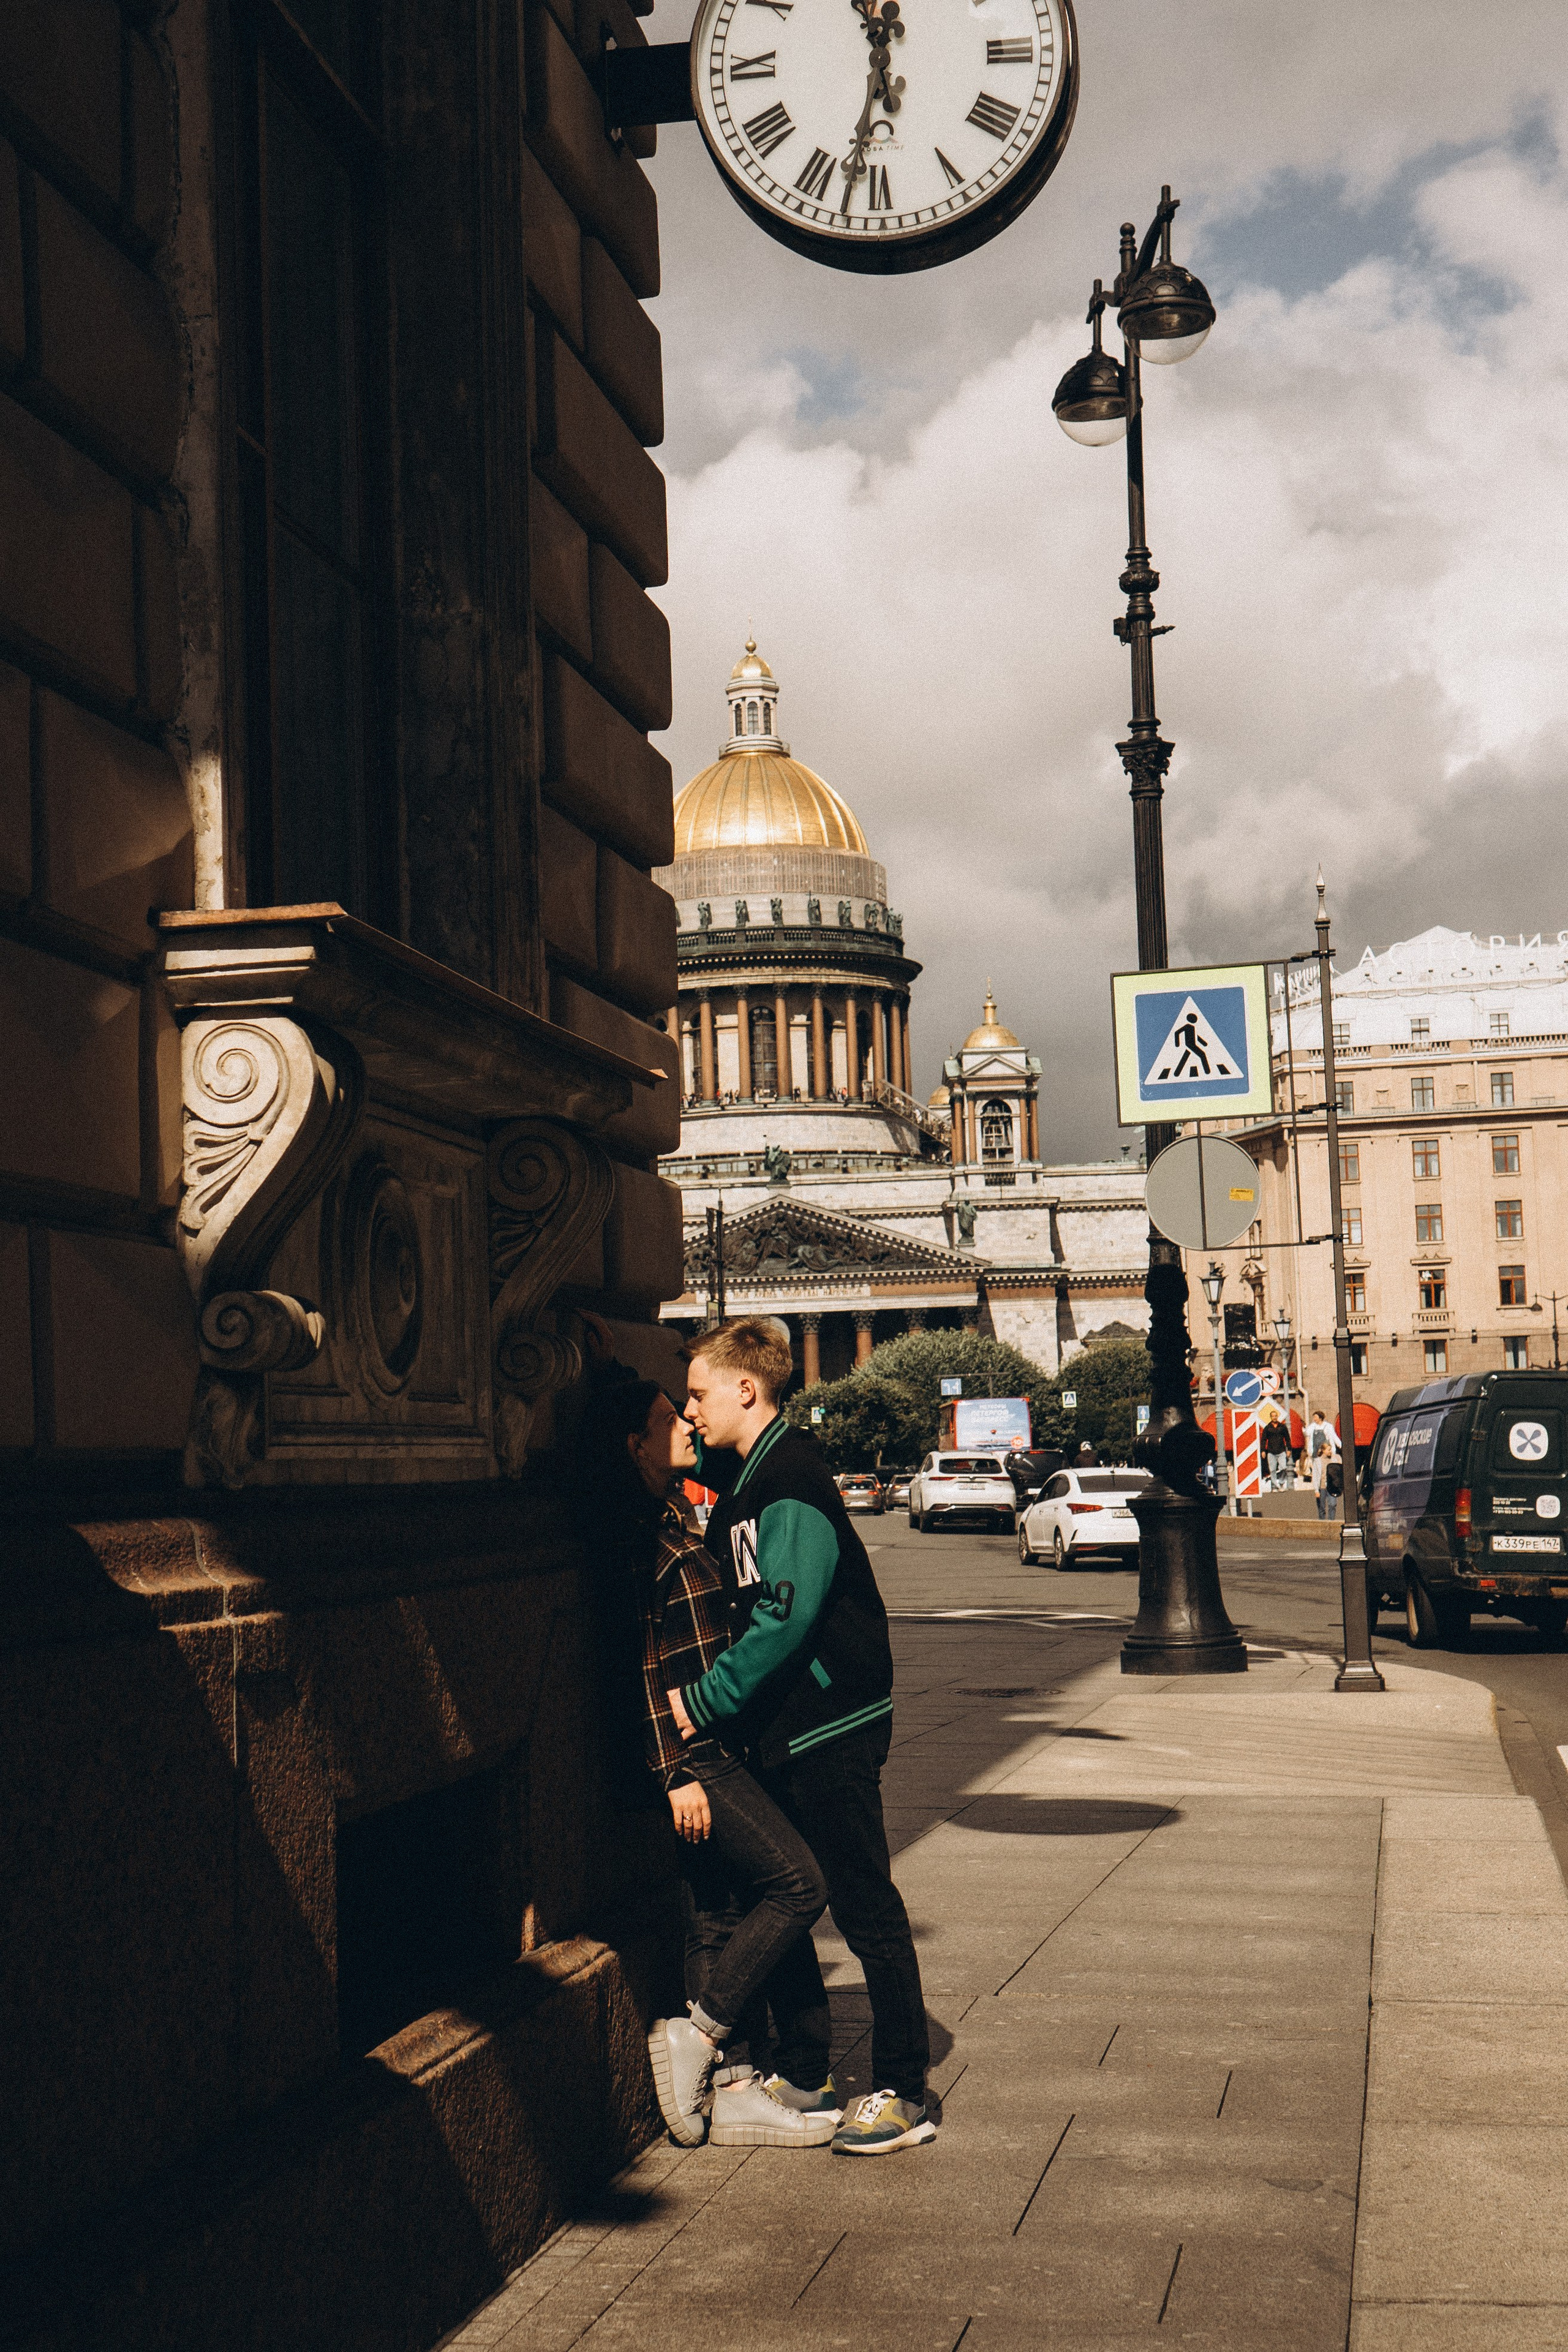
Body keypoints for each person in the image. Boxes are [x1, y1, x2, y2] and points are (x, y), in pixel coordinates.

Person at [674, 1317, 935, 2157]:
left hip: (832, 1724)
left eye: (698, 1394)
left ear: (745, 1390)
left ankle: (904, 2088)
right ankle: (806, 2069)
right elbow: (680, 1456)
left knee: (864, 1906)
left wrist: (704, 1702)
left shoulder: (789, 1479)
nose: (689, 1414)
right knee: (785, 1893)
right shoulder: (747, 1474)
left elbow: (782, 1622)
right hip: (786, 1730)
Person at [594, 1374, 838, 2152]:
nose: (688, 1420)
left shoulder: (671, 1505)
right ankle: (698, 2035)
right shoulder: (632, 1532)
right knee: (799, 1883)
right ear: (635, 1445)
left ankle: (730, 2089)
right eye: (671, 1417)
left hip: (713, 1742)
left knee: (713, 1909)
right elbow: (633, 1665)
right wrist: (674, 1771)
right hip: (693, 1752)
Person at [1307, 1410, 1338, 1518]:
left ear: (1321, 1417)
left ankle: (1331, 1522)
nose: (1314, 1419)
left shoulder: (1328, 1426)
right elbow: (1309, 1436)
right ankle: (1323, 1522)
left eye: (1316, 1417)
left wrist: (1340, 1445)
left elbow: (1333, 1437)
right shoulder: (1312, 1427)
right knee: (1321, 1506)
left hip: (1330, 1486)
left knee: (1332, 1504)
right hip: (1316, 1455)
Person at [1262, 1412, 1293, 1491]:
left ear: (1278, 1417)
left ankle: (1281, 1483)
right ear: (1271, 1417)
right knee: (1272, 1470)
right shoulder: (1267, 1428)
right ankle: (1275, 1486)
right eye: (1273, 1416)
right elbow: (1264, 1440)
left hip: (1281, 1451)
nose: (1274, 1418)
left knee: (1284, 1468)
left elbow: (1287, 1439)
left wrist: (1289, 1449)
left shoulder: (1282, 1427)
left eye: (1276, 1416)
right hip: (1271, 1452)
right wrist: (1263, 1451)